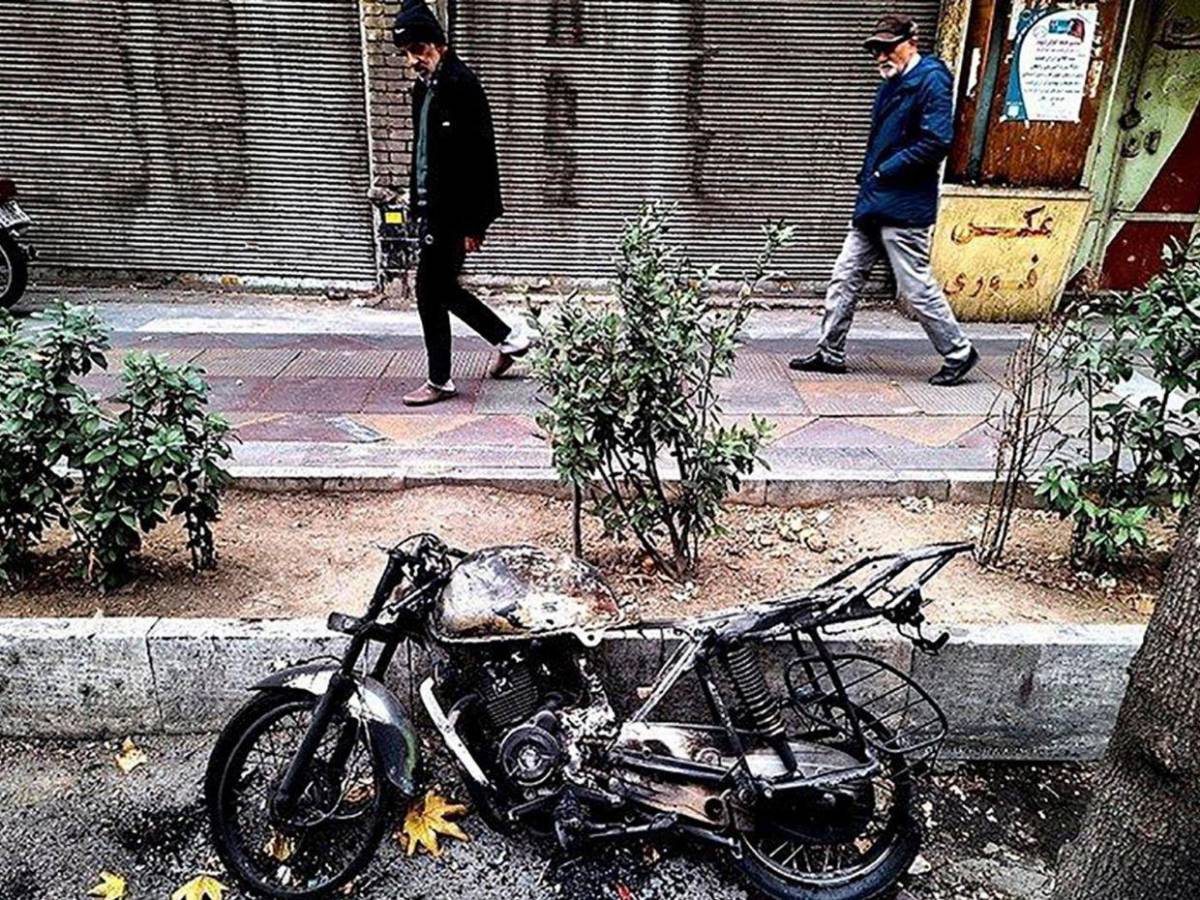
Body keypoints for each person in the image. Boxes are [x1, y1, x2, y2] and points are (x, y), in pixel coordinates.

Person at [791, 13, 978, 387]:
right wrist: (871, 180)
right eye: (876, 49)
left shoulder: (931, 80)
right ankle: (830, 351)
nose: (881, 56)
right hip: (874, 203)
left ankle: (959, 352)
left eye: (888, 47)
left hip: (904, 206)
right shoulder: (890, 84)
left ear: (912, 40)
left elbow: (936, 141)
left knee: (915, 287)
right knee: (845, 277)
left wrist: (886, 170)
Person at [393, 0, 534, 406]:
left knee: (429, 289)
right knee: (440, 289)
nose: (413, 60)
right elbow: (423, 151)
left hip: (452, 212)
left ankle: (441, 379)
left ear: (439, 43)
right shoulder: (425, 87)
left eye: (418, 49)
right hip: (431, 207)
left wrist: (477, 224)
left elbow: (480, 160)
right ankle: (510, 339)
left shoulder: (463, 86)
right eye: (407, 52)